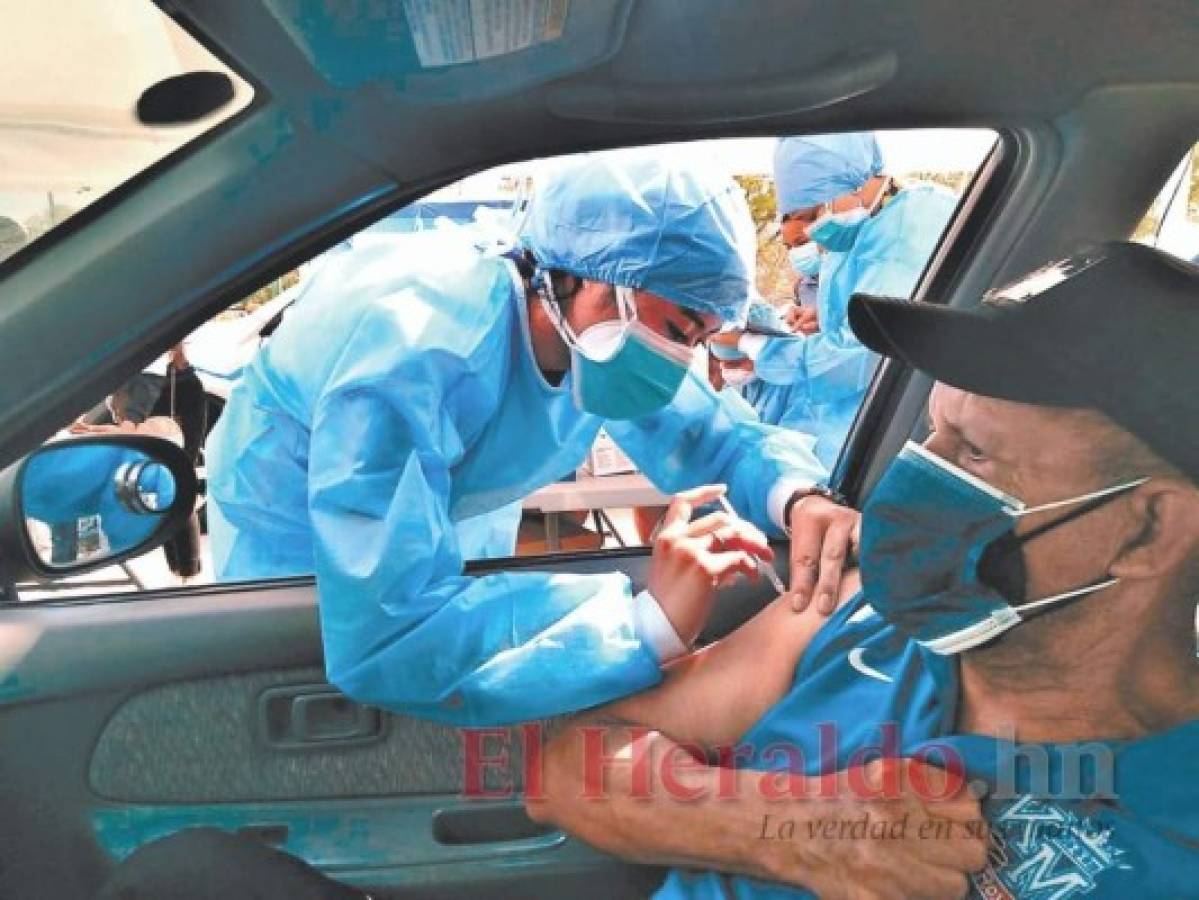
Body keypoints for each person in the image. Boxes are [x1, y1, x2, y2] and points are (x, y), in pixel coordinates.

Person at [528, 243, 1199, 898]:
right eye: (930, 433)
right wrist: (796, 827)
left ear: (1148, 529)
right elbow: (567, 767)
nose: (908, 481)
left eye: (972, 455)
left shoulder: (1175, 822)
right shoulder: (853, 612)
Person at [205, 149, 859, 727]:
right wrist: (645, 625)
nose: (681, 357)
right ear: (595, 278)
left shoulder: (595, 338)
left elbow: (711, 435)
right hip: (297, 549)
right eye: (682, 325)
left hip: (447, 526)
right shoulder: (416, 351)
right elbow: (385, 631)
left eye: (696, 338)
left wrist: (798, 499)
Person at [716, 133, 958, 470]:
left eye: (814, 212)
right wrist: (824, 318)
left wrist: (752, 345)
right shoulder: (864, 232)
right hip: (844, 418)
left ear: (857, 182)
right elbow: (863, 314)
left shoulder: (912, 225)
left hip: (877, 426)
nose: (814, 231)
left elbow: (859, 356)